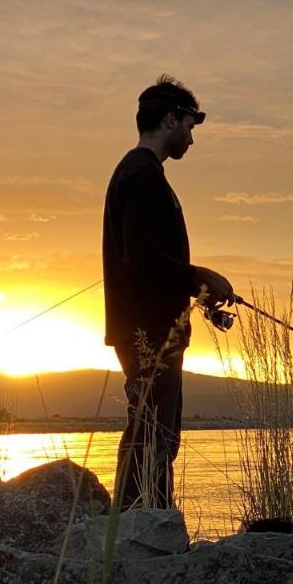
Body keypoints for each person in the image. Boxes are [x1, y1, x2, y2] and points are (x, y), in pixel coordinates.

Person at [103, 75, 234, 509]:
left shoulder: (139, 172)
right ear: (170, 119)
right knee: (154, 434)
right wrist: (201, 276)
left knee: (154, 431)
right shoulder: (142, 175)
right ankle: (143, 528)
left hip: (150, 326)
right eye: (190, 126)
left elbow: (148, 261)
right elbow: (143, 260)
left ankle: (138, 523)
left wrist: (196, 292)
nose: (191, 139)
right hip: (148, 332)